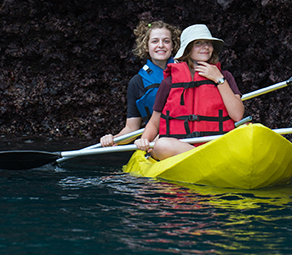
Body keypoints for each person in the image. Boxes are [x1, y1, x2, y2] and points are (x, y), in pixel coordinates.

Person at [134, 24, 244, 160]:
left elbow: (237, 115)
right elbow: (155, 122)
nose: (205, 47)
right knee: (162, 144)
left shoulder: (225, 77)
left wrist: (218, 79)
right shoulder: (169, 82)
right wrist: (144, 140)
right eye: (198, 43)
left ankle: (209, 157)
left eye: (208, 43)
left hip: (217, 144)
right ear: (187, 49)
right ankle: (208, 158)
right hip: (181, 148)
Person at [100, 20, 180, 147]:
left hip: (185, 134)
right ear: (146, 46)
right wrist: (113, 139)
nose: (161, 45)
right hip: (155, 140)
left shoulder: (186, 72)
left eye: (166, 41)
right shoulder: (137, 82)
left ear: (173, 46)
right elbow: (132, 128)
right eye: (155, 41)